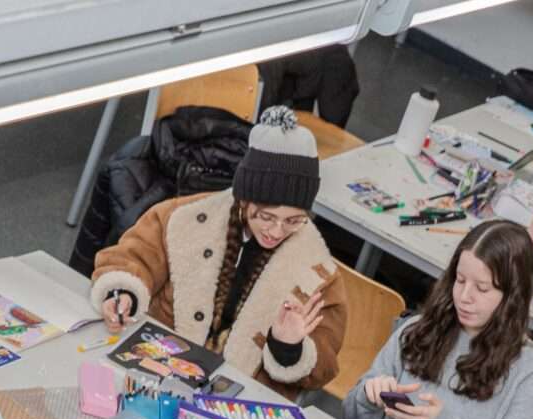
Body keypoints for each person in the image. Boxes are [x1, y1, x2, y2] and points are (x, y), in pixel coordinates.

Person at [88, 107, 348, 401]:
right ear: (244, 198)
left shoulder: (318, 275)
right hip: (154, 375)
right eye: (265, 216)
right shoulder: (182, 217)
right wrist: (123, 293)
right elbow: (132, 258)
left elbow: (324, 363)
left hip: (237, 401)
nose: (276, 231)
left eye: (293, 221)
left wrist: (288, 347)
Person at [342, 220, 533, 419]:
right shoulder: (418, 329)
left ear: (512, 297)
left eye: (482, 288)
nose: (465, 297)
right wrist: (367, 397)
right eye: (460, 280)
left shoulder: (532, 371)